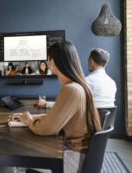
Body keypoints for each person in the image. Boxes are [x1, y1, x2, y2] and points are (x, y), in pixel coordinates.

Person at [12, 41, 101, 172]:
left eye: (48, 60)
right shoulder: (79, 86)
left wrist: (29, 120)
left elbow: (47, 128)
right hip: (80, 155)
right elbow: (56, 117)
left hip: (73, 159)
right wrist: (31, 117)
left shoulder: (71, 90)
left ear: (52, 63)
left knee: (14, 157)